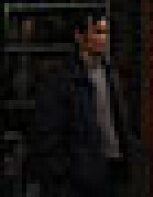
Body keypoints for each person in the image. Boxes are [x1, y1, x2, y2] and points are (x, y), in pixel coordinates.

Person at [30, 12, 139, 197]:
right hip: (80, 179)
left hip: (113, 170)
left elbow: (118, 122)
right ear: (79, 36)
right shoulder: (61, 79)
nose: (103, 39)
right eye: (97, 32)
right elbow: (48, 137)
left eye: (105, 32)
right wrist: (62, 178)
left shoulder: (110, 73)